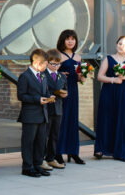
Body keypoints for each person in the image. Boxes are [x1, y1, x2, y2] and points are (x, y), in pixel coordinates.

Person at [94, 35, 125, 162]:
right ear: (116, 44)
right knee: (106, 119)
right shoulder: (108, 59)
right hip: (108, 92)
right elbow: (100, 76)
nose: (121, 46)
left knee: (122, 121)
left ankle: (122, 152)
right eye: (119, 43)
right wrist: (113, 79)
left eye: (124, 45)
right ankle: (101, 149)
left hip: (123, 94)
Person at [15, 49, 54, 177]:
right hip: (30, 116)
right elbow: (21, 96)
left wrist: (49, 97)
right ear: (37, 63)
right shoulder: (24, 76)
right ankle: (27, 167)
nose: (46, 67)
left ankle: (38, 165)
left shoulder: (42, 76)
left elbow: (45, 92)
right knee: (28, 142)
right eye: (45, 65)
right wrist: (37, 99)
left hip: (43, 115)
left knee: (40, 142)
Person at [56, 29, 86, 164]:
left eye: (73, 39)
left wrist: (82, 76)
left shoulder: (78, 57)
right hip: (61, 91)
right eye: (67, 38)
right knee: (61, 121)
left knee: (73, 121)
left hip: (74, 90)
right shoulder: (58, 55)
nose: (70, 41)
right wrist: (60, 75)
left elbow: (80, 79)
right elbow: (49, 72)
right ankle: (58, 152)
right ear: (63, 40)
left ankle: (73, 152)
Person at [43, 49, 66, 171]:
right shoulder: (43, 74)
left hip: (58, 108)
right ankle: (41, 158)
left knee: (54, 135)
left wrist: (64, 94)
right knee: (44, 135)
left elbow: (65, 89)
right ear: (47, 63)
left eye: (58, 64)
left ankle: (51, 158)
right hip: (47, 108)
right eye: (53, 64)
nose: (56, 66)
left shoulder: (62, 76)